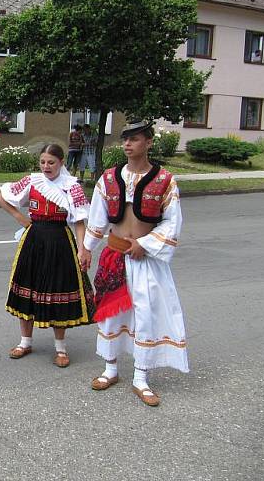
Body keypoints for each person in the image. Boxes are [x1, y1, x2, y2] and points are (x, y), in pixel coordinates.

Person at [82, 121, 188, 407]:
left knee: (145, 315)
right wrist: (86, 248)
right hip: (114, 256)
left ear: (149, 142)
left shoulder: (164, 180)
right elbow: (97, 216)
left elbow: (172, 222)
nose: (128, 144)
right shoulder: (109, 178)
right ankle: (110, 369)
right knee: (110, 314)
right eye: (125, 139)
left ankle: (141, 378)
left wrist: (146, 244)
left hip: (146, 260)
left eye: (135, 139)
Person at [0, 143, 94, 368]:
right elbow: (1, 197)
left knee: (58, 289)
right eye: (42, 162)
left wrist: (82, 249)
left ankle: (60, 349)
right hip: (34, 239)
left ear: (61, 163)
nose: (46, 166)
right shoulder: (32, 181)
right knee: (27, 287)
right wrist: (20, 218)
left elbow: (79, 222)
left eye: (51, 162)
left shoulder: (72, 187)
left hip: (60, 241)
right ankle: (25, 342)